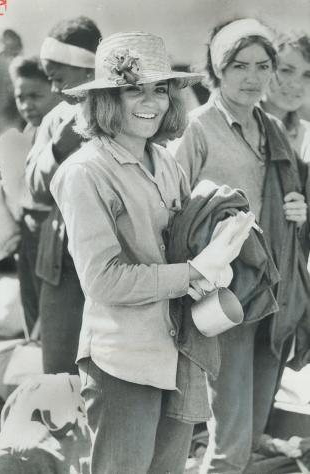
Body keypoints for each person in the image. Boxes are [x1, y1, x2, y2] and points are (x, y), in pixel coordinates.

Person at [50, 31, 255, 474]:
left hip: (179, 354)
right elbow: (104, 280)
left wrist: (219, 248)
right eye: (132, 89)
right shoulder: (84, 173)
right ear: (105, 97)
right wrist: (193, 270)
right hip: (122, 362)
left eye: (159, 88)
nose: (151, 101)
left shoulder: (165, 161)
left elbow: (183, 244)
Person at [172, 18, 310, 473]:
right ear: (217, 70)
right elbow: (170, 215)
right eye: (239, 66)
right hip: (224, 298)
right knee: (229, 443)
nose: (252, 77)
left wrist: (296, 209)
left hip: (272, 297)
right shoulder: (196, 129)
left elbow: (286, 197)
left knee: (249, 440)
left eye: (263, 66)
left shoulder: (272, 129)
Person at [25, 17, 102, 373]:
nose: (55, 90)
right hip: (61, 266)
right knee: (59, 373)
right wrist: (57, 150)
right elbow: (35, 189)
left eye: (58, 79)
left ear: (87, 69)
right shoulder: (55, 120)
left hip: (111, 263)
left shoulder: (122, 112)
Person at [9, 56, 60, 333]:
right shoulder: (27, 132)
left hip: (52, 226)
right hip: (28, 229)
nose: (27, 104)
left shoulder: (60, 129)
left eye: (35, 96)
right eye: (21, 97)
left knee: (51, 316)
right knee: (31, 307)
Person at [261, 33, 310, 163]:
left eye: (307, 75)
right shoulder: (235, 126)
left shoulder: (307, 137)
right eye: (286, 70)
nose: (296, 84)